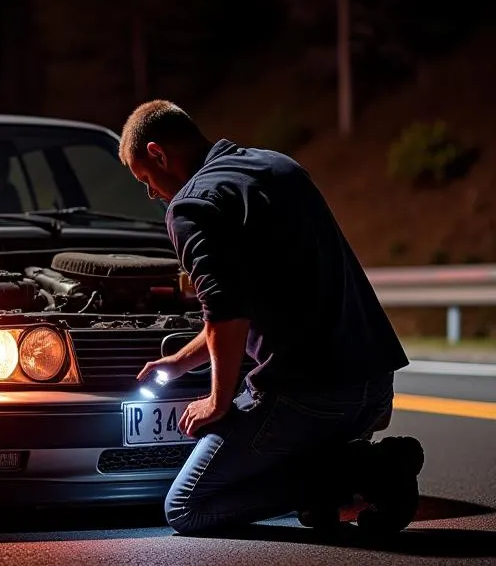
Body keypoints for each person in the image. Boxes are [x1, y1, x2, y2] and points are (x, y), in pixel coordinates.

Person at [119, 99, 424, 536]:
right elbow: (243, 303)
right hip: (373, 388)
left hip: (308, 397)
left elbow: (225, 311)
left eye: (146, 179)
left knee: (188, 507)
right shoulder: (278, 167)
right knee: (312, 512)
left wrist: (217, 400)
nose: (151, 192)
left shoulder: (191, 206)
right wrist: (181, 362)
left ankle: (365, 470)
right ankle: (344, 479)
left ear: (158, 154)